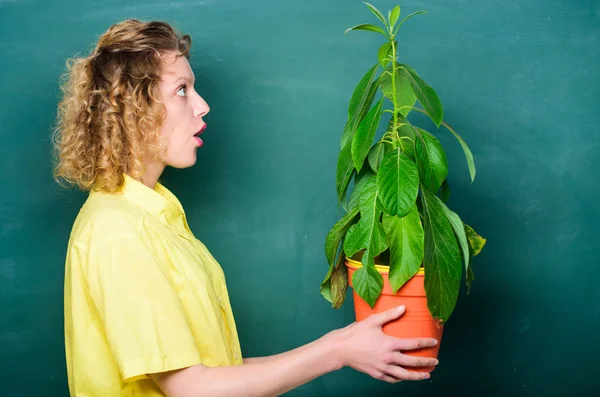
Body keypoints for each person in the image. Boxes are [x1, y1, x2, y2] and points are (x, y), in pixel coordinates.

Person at [53, 19, 439, 397]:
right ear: (135, 108)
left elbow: (218, 374)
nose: (203, 106)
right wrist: (335, 352)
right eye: (182, 90)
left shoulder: (155, 214)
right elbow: (193, 390)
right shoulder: (119, 233)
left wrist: (340, 345)